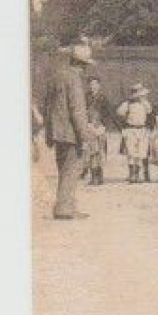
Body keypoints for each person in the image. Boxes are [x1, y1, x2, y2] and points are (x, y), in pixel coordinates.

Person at [41, 43, 97, 219]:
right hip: (71, 133)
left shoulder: (56, 76)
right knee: (72, 170)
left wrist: (49, 131)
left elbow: (47, 105)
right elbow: (77, 110)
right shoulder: (74, 80)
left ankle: (66, 205)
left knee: (63, 169)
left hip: (57, 132)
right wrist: (85, 135)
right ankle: (64, 208)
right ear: (83, 64)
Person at [116, 84, 153, 183]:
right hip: (130, 129)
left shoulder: (145, 104)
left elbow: (150, 113)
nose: (141, 96)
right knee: (131, 152)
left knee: (140, 152)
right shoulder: (127, 104)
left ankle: (137, 174)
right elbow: (119, 113)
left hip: (142, 130)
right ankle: (132, 174)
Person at [82, 76, 114, 184]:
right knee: (90, 152)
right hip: (89, 126)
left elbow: (109, 113)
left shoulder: (103, 98)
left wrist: (104, 126)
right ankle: (93, 176)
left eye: (95, 84)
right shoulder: (85, 97)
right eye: (91, 84)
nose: (93, 86)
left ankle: (99, 176)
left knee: (100, 151)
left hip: (100, 127)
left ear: (99, 85)